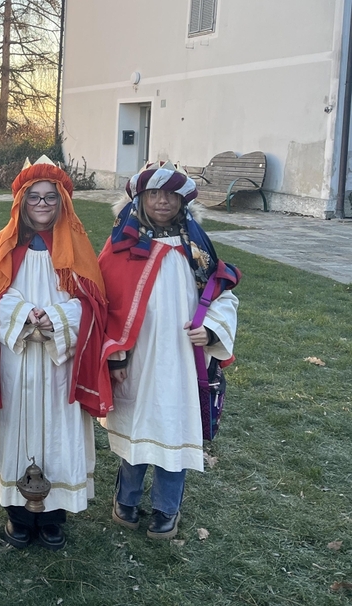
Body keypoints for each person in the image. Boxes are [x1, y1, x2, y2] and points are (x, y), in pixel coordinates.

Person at [0, 157, 109, 551]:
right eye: (35, 197)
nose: (43, 204)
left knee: (58, 431)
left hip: (58, 362)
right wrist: (20, 313)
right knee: (16, 429)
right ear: (22, 202)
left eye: (51, 197)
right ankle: (18, 513)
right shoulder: (5, 245)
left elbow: (94, 305)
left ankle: (53, 517)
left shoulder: (77, 248)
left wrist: (57, 318)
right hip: (16, 360)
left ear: (62, 201)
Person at [98, 162, 240, 540]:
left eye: (171, 195)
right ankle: (126, 499)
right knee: (137, 425)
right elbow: (104, 302)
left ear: (182, 200)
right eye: (154, 194)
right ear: (140, 199)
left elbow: (222, 294)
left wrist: (211, 329)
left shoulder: (197, 248)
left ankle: (167, 507)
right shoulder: (122, 246)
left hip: (181, 357)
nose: (163, 201)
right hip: (138, 357)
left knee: (174, 427)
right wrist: (116, 354)